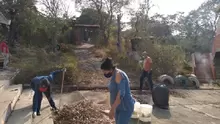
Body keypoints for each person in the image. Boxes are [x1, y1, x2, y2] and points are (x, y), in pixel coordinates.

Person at [101, 57, 135, 124]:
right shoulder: (114, 75)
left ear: (110, 69)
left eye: (104, 71)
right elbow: (113, 92)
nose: (104, 73)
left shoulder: (118, 75)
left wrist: (112, 110)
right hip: (118, 107)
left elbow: (120, 95)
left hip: (125, 107)